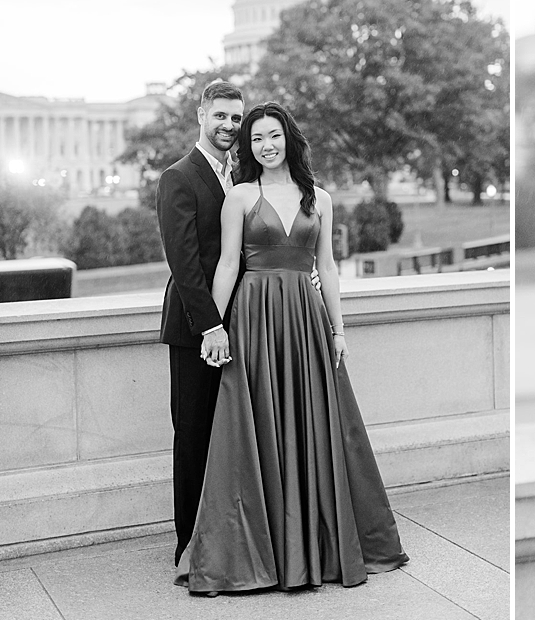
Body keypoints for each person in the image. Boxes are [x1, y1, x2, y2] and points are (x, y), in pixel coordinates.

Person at [175, 101, 408, 594]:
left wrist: (338, 330)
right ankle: (257, 552)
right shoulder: (238, 196)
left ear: (289, 139)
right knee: (252, 425)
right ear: (249, 147)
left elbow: (327, 267)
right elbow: (226, 268)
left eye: (273, 135)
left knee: (315, 425)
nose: (266, 145)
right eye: (256, 138)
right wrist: (212, 329)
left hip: (305, 318)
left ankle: (317, 547)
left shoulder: (318, 198)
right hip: (254, 318)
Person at [156, 78, 244, 567]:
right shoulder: (179, 177)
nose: (229, 125)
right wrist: (211, 327)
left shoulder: (241, 174)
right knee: (193, 435)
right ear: (201, 115)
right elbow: (184, 263)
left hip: (241, 325)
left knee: (233, 433)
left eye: (236, 118)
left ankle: (230, 534)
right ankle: (188, 545)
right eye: (220, 116)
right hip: (196, 331)